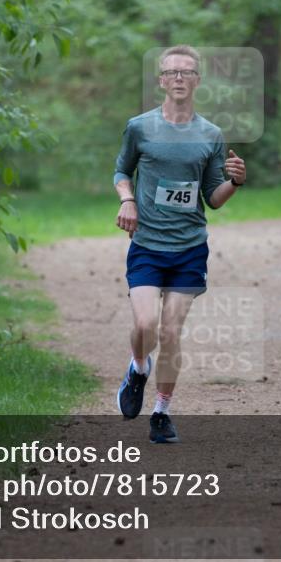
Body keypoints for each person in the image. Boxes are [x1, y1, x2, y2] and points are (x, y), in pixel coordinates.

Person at [112, 45, 246, 443]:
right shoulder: (139, 127)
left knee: (170, 332)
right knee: (144, 324)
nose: (179, 78)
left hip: (189, 247)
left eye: (187, 72)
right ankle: (138, 369)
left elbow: (213, 198)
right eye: (171, 72)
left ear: (198, 80)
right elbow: (122, 171)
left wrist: (235, 181)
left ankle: (161, 412)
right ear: (161, 80)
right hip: (149, 244)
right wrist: (128, 199)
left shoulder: (211, 135)